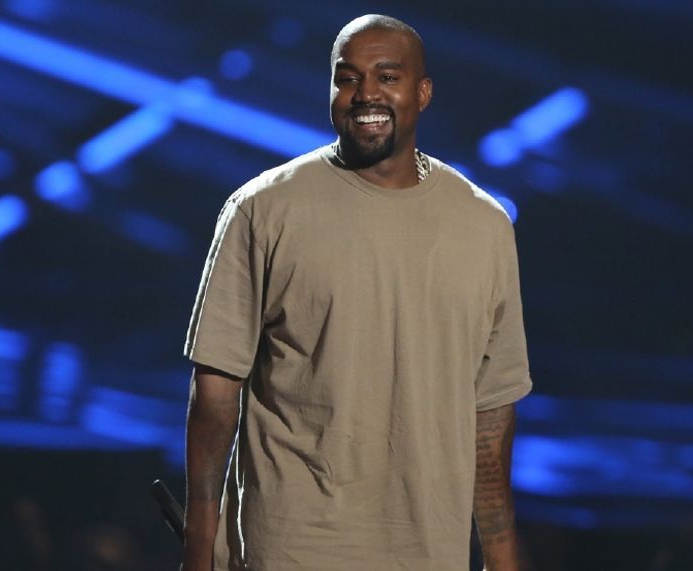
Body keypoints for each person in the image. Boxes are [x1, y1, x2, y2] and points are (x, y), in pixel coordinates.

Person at [182, 14, 532, 570]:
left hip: (429, 554)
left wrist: (502, 553)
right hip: (293, 551)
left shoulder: (484, 225)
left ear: (423, 92)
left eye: (387, 77)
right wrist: (199, 549)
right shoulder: (263, 209)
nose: (365, 93)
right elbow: (216, 392)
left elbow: (491, 410)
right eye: (348, 78)